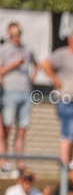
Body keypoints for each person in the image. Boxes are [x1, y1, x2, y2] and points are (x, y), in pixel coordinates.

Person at [39, 30, 73, 165]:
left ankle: (68, 166)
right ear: (70, 40)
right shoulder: (62, 53)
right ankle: (64, 167)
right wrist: (55, 80)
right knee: (68, 134)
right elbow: (45, 64)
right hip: (67, 100)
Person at [0, 21, 38, 177]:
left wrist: (32, 78)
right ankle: (4, 163)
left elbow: (37, 65)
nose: (16, 37)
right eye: (13, 34)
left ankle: (20, 165)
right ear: (9, 35)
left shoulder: (27, 49)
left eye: (18, 34)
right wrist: (13, 65)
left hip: (26, 93)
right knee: (6, 130)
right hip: (9, 92)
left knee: (22, 131)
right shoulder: (4, 50)